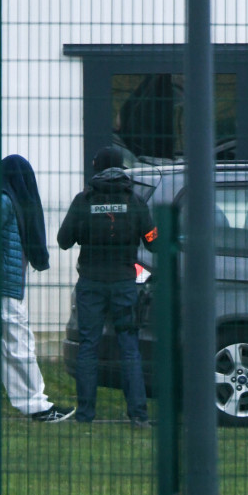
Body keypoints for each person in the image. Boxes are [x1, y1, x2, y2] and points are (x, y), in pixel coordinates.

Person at [0, 155, 75, 422]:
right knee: (18, 344)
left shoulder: (2, 200)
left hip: (0, 284)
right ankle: (36, 405)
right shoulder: (2, 201)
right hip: (2, 286)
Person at [57, 146, 157, 427]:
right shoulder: (135, 201)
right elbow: (153, 239)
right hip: (125, 282)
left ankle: (86, 415)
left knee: (88, 345)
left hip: (91, 281)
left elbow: (64, 239)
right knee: (129, 347)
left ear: (97, 168)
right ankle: (138, 415)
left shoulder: (84, 200)